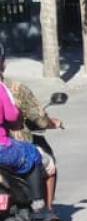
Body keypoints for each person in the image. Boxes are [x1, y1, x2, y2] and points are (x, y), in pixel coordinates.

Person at [0, 43, 57, 221]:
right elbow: (15, 116)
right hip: (5, 148)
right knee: (37, 156)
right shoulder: (11, 88)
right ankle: (42, 208)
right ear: (3, 63)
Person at [7, 76, 64, 211]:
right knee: (48, 165)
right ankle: (47, 210)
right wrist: (51, 123)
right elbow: (40, 119)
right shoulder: (14, 88)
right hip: (12, 146)